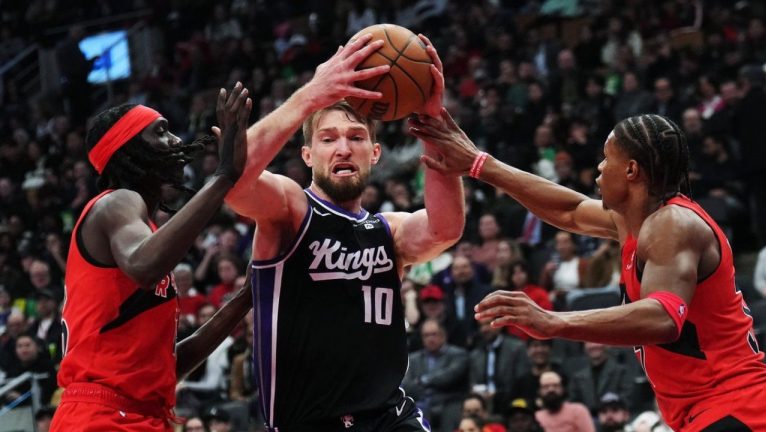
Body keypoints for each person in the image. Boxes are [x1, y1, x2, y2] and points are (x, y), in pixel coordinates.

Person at [412, 111, 766, 430]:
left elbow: (663, 318)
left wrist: (554, 322)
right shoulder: (636, 221)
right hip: (708, 409)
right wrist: (477, 164)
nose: (598, 168)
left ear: (631, 170)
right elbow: (569, 209)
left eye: (606, 159)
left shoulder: (672, 224)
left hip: (736, 406)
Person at [224, 33, 464, 431]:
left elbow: (445, 228)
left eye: (355, 138)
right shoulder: (290, 208)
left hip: (388, 417)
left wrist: (432, 121)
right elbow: (233, 181)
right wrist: (312, 96)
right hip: (308, 422)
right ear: (308, 155)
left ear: (374, 154)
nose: (343, 148)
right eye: (328, 138)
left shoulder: (389, 231)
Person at [50, 84, 255, 431]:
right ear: (128, 149)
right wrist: (224, 176)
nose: (177, 140)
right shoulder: (116, 202)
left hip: (138, 413)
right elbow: (145, 267)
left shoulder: (138, 227)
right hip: (100, 416)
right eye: (160, 132)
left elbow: (167, 366)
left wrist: (246, 297)